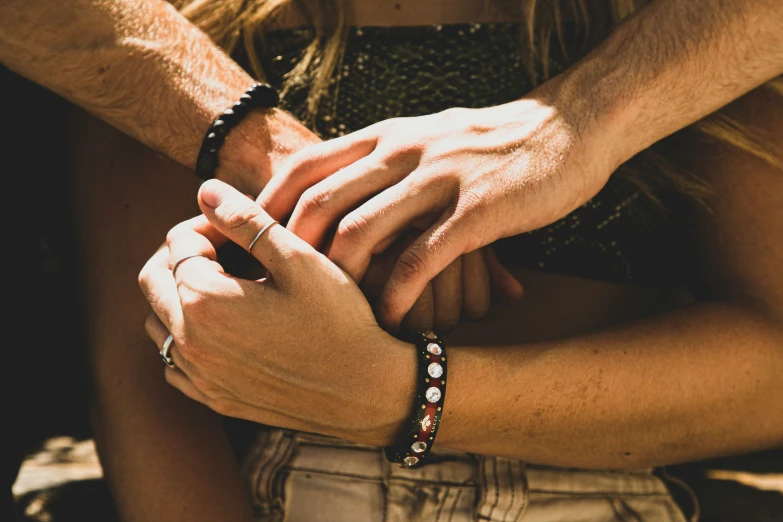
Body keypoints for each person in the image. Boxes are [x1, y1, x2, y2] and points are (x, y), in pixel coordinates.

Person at [1, 0, 780, 520]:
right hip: (298, 494)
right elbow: (141, 379)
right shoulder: (190, 39)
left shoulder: (672, 34)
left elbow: (768, 355)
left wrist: (408, 393)